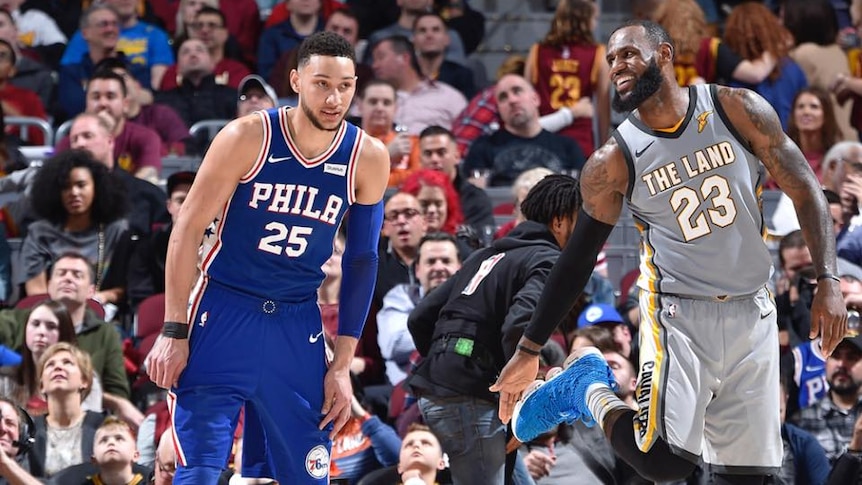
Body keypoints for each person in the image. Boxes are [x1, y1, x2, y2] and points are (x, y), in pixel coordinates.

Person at [491, 19, 846, 484]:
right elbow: (577, 259)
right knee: (664, 462)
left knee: (749, 476)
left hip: (754, 311)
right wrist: (529, 347)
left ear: (663, 54)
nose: (617, 65)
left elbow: (805, 189)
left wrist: (829, 281)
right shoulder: (612, 161)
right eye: (612, 58)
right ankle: (586, 390)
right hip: (678, 314)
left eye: (628, 55)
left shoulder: (736, 108)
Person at [145, 31, 389, 484]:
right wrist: (173, 328)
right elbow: (187, 229)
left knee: (309, 471)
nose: (335, 98)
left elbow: (361, 260)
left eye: (345, 85)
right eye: (321, 83)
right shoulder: (247, 136)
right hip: (222, 312)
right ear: (296, 80)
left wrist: (341, 364)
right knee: (198, 468)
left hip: (297, 324)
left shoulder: (367, 156)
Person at [407, 174, 581, 484]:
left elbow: (419, 317)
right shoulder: (548, 258)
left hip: (440, 388)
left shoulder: (485, 255)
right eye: (580, 221)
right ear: (559, 221)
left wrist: (448, 364)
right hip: (469, 399)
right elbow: (519, 328)